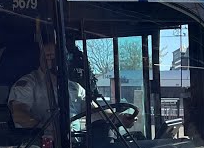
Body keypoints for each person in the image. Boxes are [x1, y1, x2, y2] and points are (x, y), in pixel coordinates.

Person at [8, 40, 136, 131]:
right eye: (48, 56)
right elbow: (19, 115)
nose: (53, 61)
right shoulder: (28, 84)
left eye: (58, 57)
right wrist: (47, 129)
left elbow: (95, 111)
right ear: (40, 59)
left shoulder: (74, 87)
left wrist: (120, 118)